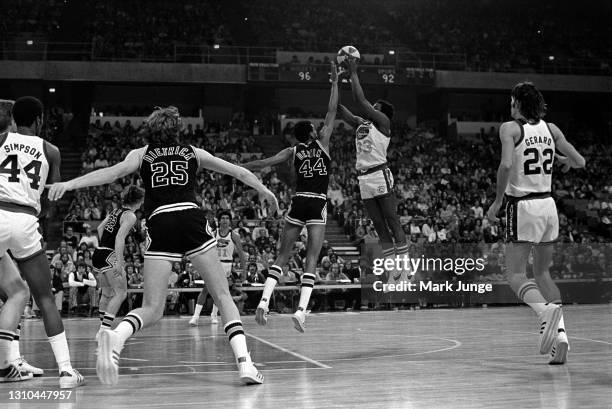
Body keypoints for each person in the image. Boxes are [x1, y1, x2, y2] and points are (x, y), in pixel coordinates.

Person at [47, 106, 277, 386]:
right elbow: (238, 172)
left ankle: (116, 337)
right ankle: (245, 364)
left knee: (153, 308)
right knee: (223, 296)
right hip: (190, 218)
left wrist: (70, 184)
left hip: (160, 223)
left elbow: (110, 173)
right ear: (177, 130)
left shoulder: (141, 154)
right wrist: (265, 190)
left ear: (151, 130)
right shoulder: (193, 152)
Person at [486, 82, 585, 364]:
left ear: (517, 103)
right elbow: (580, 162)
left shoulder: (510, 128)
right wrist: (562, 160)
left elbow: (506, 165)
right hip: (549, 206)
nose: (509, 104)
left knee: (515, 274)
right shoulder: (552, 129)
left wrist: (497, 202)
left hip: (523, 206)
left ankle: (544, 312)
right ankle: (561, 339)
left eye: (511, 99)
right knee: (543, 274)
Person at [244, 61, 339, 332]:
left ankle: (263, 301)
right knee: (311, 258)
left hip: (298, 201)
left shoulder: (292, 151)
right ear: (312, 132)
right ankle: (300, 311)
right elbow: (332, 110)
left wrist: (238, 167)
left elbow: (263, 163)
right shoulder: (323, 142)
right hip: (317, 201)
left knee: (282, 256)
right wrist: (334, 83)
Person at [0, 96, 84, 388]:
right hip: (25, 220)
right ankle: (65, 371)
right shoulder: (51, 150)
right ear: (39, 120)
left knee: (12, 292)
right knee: (43, 297)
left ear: (13, 119)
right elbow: (53, 195)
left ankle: (9, 361)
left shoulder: (0, 139)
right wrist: (41, 212)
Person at [338, 58, 408, 284]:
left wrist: (353, 73)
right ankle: (392, 274)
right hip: (363, 179)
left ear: (381, 112)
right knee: (378, 225)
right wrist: (333, 89)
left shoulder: (383, 122)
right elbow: (344, 113)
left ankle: (404, 270)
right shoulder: (362, 124)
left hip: (379, 173)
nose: (372, 108)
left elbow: (360, 100)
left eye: (375, 107)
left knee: (392, 220)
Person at [94, 186, 144, 338]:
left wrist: (104, 245)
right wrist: (119, 261)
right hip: (110, 255)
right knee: (121, 293)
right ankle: (104, 330)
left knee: (107, 293)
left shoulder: (116, 211)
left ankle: (102, 328)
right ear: (138, 201)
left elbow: (100, 228)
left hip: (99, 252)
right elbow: (119, 238)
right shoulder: (130, 216)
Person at [189, 210, 247, 326]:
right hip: (214, 263)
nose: (225, 220)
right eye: (223, 218)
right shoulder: (213, 233)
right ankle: (195, 317)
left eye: (227, 218)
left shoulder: (234, 235)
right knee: (206, 289)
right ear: (219, 221)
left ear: (230, 221)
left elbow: (241, 255)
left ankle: (214, 315)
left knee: (219, 291)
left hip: (227, 265)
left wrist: (244, 272)